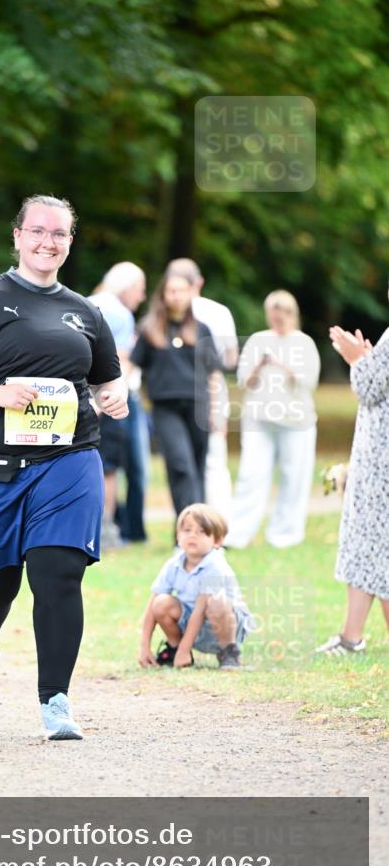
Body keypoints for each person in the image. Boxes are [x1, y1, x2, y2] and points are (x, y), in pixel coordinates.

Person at [0, 195, 128, 740]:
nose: (47, 242)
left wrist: (116, 397)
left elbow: (109, 378)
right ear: (17, 236)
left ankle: (55, 701)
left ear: (69, 243)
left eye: (58, 234)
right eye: (37, 231)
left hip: (67, 460)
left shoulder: (86, 312)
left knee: (59, 573)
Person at [316, 307, 389, 655]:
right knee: (368, 542)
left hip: (381, 459)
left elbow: (369, 388)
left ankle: (351, 637)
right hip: (377, 456)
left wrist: (356, 359)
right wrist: (369, 359)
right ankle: (350, 635)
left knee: (375, 540)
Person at [225, 290, 320, 549]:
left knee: (293, 476)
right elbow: (245, 381)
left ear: (291, 314)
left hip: (296, 421)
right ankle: (238, 534)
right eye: (273, 316)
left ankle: (285, 534)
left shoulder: (304, 343)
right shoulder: (258, 340)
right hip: (259, 420)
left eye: (282, 316)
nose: (277, 322)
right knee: (251, 475)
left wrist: (281, 365)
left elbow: (309, 382)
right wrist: (260, 365)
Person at [130, 260, 223, 521]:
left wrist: (217, 411)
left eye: (182, 290)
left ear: (191, 292)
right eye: (171, 290)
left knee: (197, 468)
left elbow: (214, 373)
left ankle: (197, 529)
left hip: (199, 407)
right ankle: (189, 524)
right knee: (180, 465)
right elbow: (131, 364)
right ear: (163, 294)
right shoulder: (150, 330)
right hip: (165, 407)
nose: (176, 296)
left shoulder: (202, 329)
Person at [138, 504, 253, 671]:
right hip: (191, 622)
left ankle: (228, 652)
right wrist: (144, 647)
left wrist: (186, 648)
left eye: (202, 532)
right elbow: (152, 605)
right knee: (161, 602)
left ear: (217, 541)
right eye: (187, 530)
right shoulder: (173, 564)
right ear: (178, 536)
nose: (193, 535)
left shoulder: (216, 565)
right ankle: (175, 649)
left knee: (216, 601)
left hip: (225, 625)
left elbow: (200, 610)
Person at [166, 258, 239, 522]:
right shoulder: (218, 312)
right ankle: (219, 523)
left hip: (176, 394)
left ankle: (189, 521)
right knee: (214, 463)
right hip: (212, 391)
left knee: (183, 464)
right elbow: (230, 358)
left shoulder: (165, 314)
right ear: (199, 281)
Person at [89, 261, 148, 546]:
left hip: (77, 397)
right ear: (127, 286)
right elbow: (120, 365)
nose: (142, 296)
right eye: (140, 289)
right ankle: (109, 530)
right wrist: (106, 401)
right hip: (108, 399)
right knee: (110, 466)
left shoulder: (85, 303)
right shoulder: (121, 314)